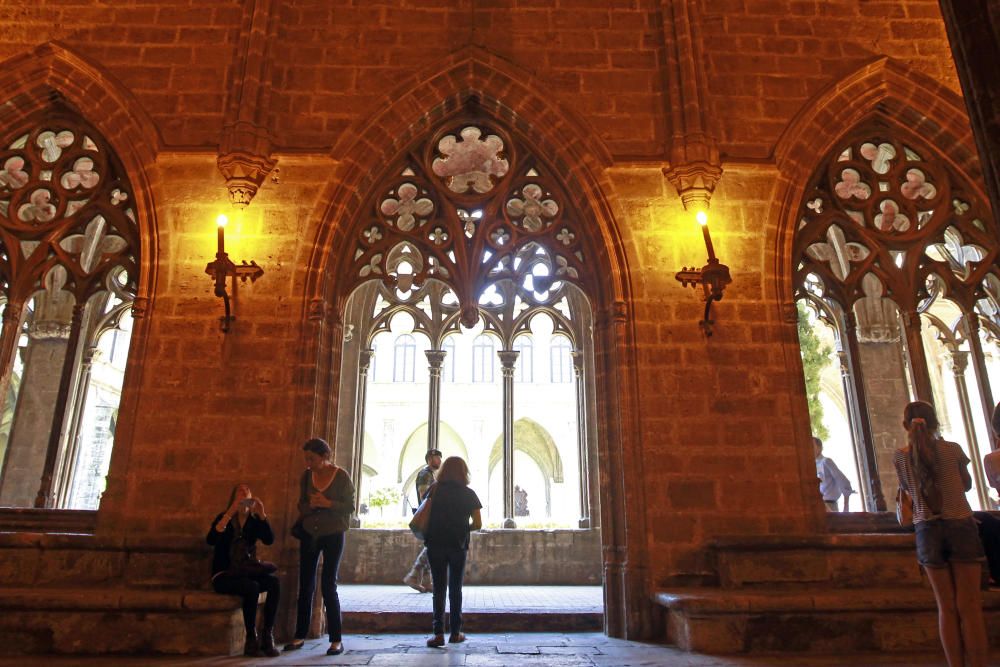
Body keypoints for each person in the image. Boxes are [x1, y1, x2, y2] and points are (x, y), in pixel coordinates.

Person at [893, 401, 987, 667]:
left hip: (927, 528)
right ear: (936, 423)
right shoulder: (953, 449)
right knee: (969, 607)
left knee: (945, 607)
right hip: (959, 522)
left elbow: (907, 490)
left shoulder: (901, 456)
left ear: (905, 426)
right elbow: (966, 485)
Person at [284, 438, 355, 656]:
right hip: (310, 533)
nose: (308, 463)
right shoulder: (307, 476)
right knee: (305, 584)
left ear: (324, 457)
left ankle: (336, 639)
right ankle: (299, 635)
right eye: (306, 458)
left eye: (311, 458)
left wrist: (328, 504)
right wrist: (310, 505)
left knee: (328, 584)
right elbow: (300, 503)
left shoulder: (341, 476)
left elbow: (350, 506)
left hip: (333, 534)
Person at [206, 484, 280, 658]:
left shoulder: (254, 522)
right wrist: (230, 512)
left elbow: (269, 539)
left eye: (246, 492)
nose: (243, 494)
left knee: (274, 583)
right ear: (233, 498)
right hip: (224, 574)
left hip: (246, 571)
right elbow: (211, 539)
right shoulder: (224, 518)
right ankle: (251, 639)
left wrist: (262, 514)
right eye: (239, 492)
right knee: (251, 587)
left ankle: (267, 636)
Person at [424, 456, 482, 648]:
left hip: (435, 544)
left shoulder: (434, 490)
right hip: (458, 545)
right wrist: (463, 529)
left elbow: (424, 512)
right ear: (464, 472)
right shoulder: (469, 494)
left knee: (438, 589)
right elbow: (478, 524)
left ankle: (438, 634)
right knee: (455, 589)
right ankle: (456, 633)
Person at [404, 448, 442, 592]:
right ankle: (413, 575)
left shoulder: (431, 475)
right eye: (434, 458)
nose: (437, 460)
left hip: (432, 515)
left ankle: (426, 582)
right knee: (432, 547)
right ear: (428, 460)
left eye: (438, 457)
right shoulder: (425, 474)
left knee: (431, 546)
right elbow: (424, 496)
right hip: (430, 516)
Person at [813, 436, 854, 511]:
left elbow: (843, 481)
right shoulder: (811, 466)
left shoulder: (826, 461)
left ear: (820, 448)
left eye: (812, 446)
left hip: (829, 505)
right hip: (818, 506)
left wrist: (846, 507)